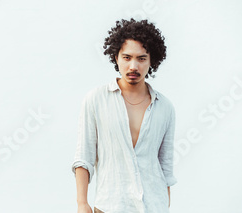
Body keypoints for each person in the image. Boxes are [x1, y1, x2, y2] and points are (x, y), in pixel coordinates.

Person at [72, 18, 177, 213]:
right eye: (127, 57)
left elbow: (166, 167)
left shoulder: (165, 108)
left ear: (152, 60)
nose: (133, 66)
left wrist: (165, 205)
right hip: (110, 206)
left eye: (142, 58)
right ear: (116, 57)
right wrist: (82, 203)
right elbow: (83, 158)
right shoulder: (96, 100)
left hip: (154, 207)